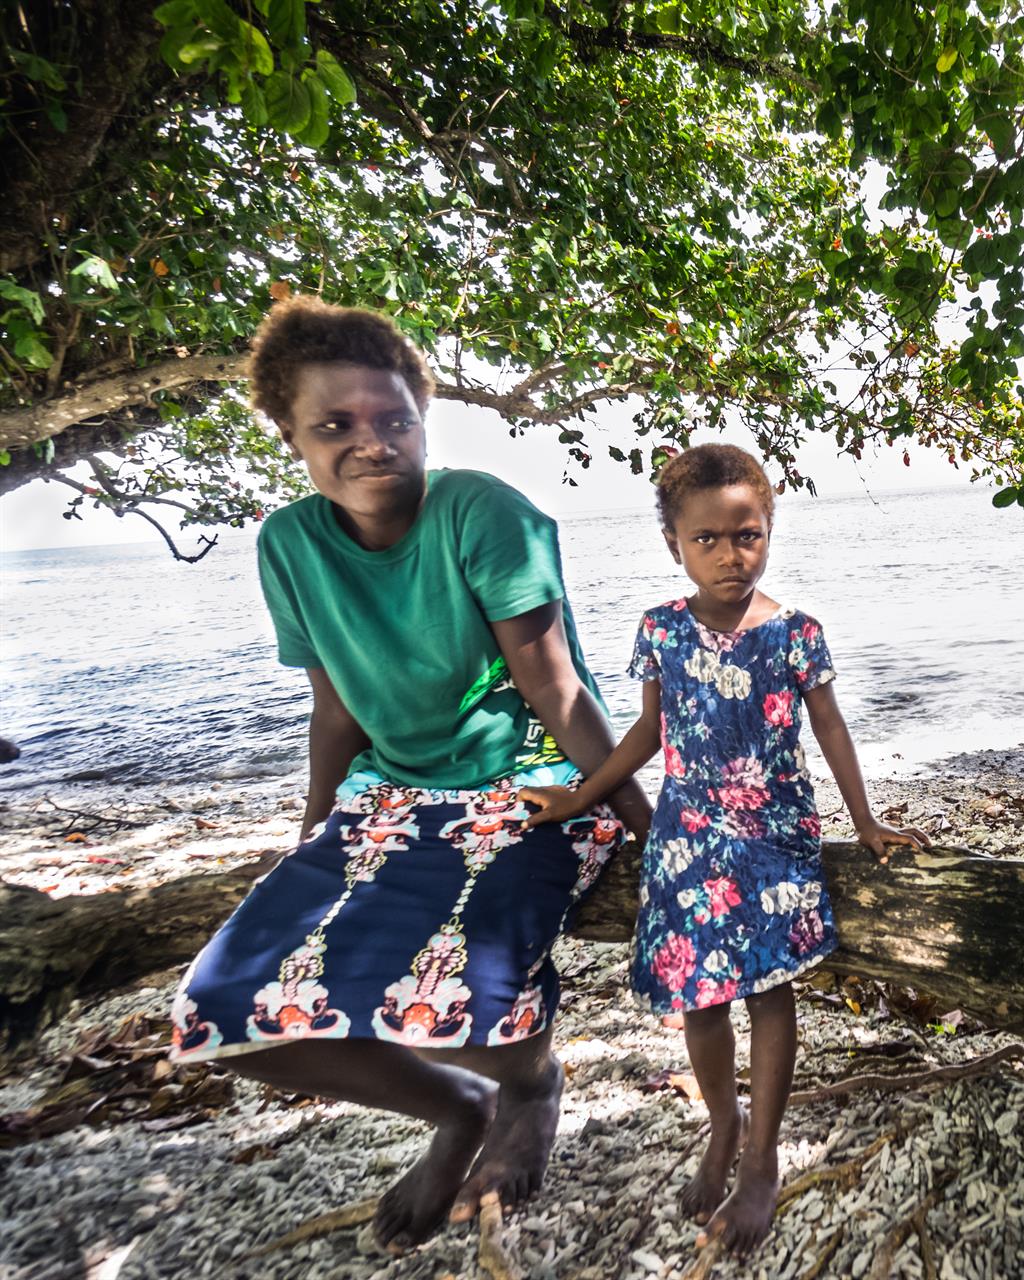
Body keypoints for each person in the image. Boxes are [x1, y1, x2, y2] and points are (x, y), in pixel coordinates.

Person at [169, 297, 652, 1252]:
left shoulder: (481, 512)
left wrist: (650, 826)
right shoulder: (290, 546)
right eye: (334, 425)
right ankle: (457, 1110)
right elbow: (338, 709)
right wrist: (311, 839)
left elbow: (555, 692)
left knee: (474, 991)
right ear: (289, 435)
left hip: (534, 780)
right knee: (224, 1011)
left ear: (422, 419)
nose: (371, 443)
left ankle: (527, 1086)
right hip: (392, 798)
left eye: (393, 419)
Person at [520, 443, 922, 1255]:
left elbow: (832, 729)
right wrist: (579, 794)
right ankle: (722, 1124)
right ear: (675, 545)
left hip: (775, 837)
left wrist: (867, 821)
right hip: (691, 837)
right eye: (707, 539)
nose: (730, 554)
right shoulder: (662, 629)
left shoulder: (796, 633)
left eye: (747, 534)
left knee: (770, 993)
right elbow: (646, 733)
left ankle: (763, 1156)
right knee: (698, 1000)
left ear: (769, 529)